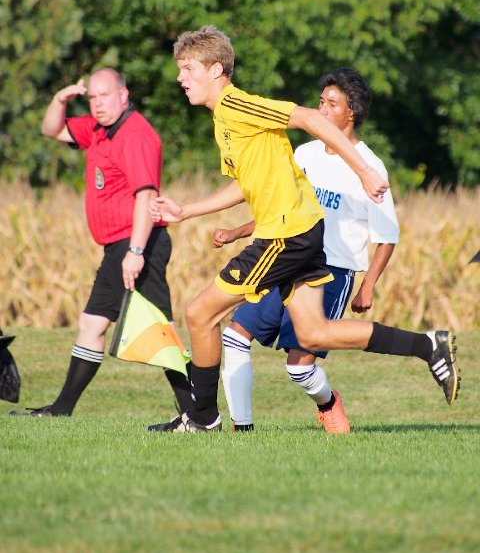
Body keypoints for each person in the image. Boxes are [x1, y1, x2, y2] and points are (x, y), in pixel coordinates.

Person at [149, 25, 460, 433]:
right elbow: (245, 184)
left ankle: (203, 419)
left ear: (216, 70)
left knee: (200, 313)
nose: (180, 77)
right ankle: (427, 345)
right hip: (303, 230)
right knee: (314, 332)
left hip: (285, 235)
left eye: (188, 68)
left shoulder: (238, 104)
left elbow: (309, 118)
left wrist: (363, 170)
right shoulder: (223, 118)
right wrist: (187, 210)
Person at [214, 67, 400, 433]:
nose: (322, 109)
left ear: (352, 112)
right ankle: (241, 430)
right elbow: (281, 209)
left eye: (332, 103)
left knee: (299, 368)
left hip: (332, 271)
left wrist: (367, 286)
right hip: (285, 257)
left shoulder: (370, 166)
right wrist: (237, 231)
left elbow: (387, 235)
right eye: (321, 102)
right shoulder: (305, 154)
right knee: (234, 335)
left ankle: (328, 403)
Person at [10, 68, 192, 417]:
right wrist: (59, 99)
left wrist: (136, 252)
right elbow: (52, 130)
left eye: (104, 96)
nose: (97, 104)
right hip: (119, 247)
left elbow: (146, 196)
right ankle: (61, 409)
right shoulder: (98, 128)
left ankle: (197, 415)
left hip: (139, 243)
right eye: (92, 97)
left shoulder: (135, 134)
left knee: (160, 330)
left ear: (123, 95)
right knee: (92, 324)